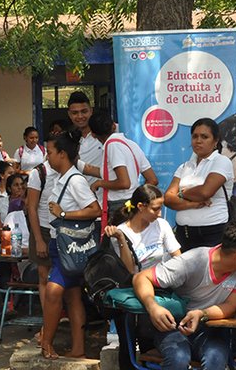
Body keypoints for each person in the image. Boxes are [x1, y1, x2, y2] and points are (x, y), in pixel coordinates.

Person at [132, 221, 236, 369]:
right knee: (179, 359)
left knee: (216, 359)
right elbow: (141, 278)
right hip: (174, 327)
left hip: (210, 330)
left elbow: (231, 306)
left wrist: (202, 313)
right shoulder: (193, 260)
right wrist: (153, 307)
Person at [103, 184, 181, 369]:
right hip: (131, 291)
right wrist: (121, 241)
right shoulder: (122, 231)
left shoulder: (161, 225)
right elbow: (130, 272)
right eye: (155, 209)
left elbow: (178, 258)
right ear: (140, 207)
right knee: (127, 342)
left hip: (159, 288)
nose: (160, 214)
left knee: (151, 341)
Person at [42, 129, 102, 360]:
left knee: (53, 292)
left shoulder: (75, 180)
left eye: (50, 152)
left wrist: (64, 213)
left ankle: (47, 343)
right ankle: (78, 348)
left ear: (63, 154)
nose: (47, 157)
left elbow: (94, 210)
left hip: (69, 248)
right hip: (62, 247)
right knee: (73, 297)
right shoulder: (64, 177)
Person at [164, 118, 234, 251]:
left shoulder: (221, 161)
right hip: (183, 234)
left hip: (212, 233)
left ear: (215, 141)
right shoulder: (184, 166)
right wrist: (193, 204)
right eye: (195, 136)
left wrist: (182, 193)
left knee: (210, 271)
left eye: (204, 137)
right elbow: (167, 199)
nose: (198, 140)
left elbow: (205, 192)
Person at [86, 111, 157, 221]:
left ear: (93, 134)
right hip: (133, 203)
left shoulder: (112, 146)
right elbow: (152, 180)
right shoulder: (131, 144)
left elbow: (124, 183)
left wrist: (100, 183)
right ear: (114, 126)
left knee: (119, 237)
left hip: (119, 205)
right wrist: (137, 198)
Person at [26, 159, 58, 346]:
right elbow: (31, 206)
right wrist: (38, 239)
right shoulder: (39, 173)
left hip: (64, 229)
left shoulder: (74, 169)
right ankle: (47, 323)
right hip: (43, 229)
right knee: (44, 275)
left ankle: (59, 320)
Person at [67, 91, 103, 202]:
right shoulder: (66, 139)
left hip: (103, 202)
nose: (80, 116)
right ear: (69, 114)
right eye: (75, 113)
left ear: (91, 111)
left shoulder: (107, 134)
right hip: (75, 203)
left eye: (84, 111)